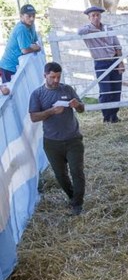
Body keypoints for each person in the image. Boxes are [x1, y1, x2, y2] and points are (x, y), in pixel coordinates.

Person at [29, 62, 86, 216]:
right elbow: (34, 117)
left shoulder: (67, 89)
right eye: (52, 77)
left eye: (58, 77)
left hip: (73, 139)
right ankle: (72, 196)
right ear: (45, 76)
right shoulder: (37, 94)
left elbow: (82, 109)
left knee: (77, 171)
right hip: (52, 142)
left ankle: (77, 204)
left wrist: (77, 105)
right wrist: (52, 111)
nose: (55, 80)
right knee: (60, 175)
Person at [78, 6, 124, 123]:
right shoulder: (87, 29)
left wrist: (120, 62)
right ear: (89, 18)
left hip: (114, 60)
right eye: (93, 15)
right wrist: (95, 31)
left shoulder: (108, 28)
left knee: (116, 90)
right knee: (105, 90)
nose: (96, 17)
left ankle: (114, 116)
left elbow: (117, 46)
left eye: (98, 15)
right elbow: (79, 32)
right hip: (101, 63)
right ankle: (106, 117)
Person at [1, 4, 41, 83]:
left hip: (19, 65)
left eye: (33, 15)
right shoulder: (21, 28)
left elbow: (34, 42)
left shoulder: (31, 25)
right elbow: (25, 50)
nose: (32, 18)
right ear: (21, 16)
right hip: (9, 66)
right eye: (28, 16)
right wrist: (37, 48)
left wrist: (35, 47)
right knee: (10, 91)